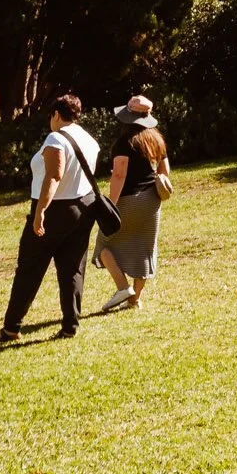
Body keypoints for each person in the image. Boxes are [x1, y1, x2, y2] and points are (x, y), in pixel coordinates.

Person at [0, 93, 102, 342]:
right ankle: (70, 325)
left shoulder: (55, 137)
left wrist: (40, 211)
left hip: (55, 209)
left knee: (29, 268)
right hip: (84, 207)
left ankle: (11, 328)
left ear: (55, 114)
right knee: (73, 268)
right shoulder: (88, 138)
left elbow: (54, 175)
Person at [94, 97, 172, 314]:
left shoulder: (124, 142)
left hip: (128, 199)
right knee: (144, 249)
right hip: (152, 201)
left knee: (103, 245)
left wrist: (111, 204)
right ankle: (135, 299)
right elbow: (165, 172)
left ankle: (123, 288)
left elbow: (119, 175)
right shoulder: (156, 139)